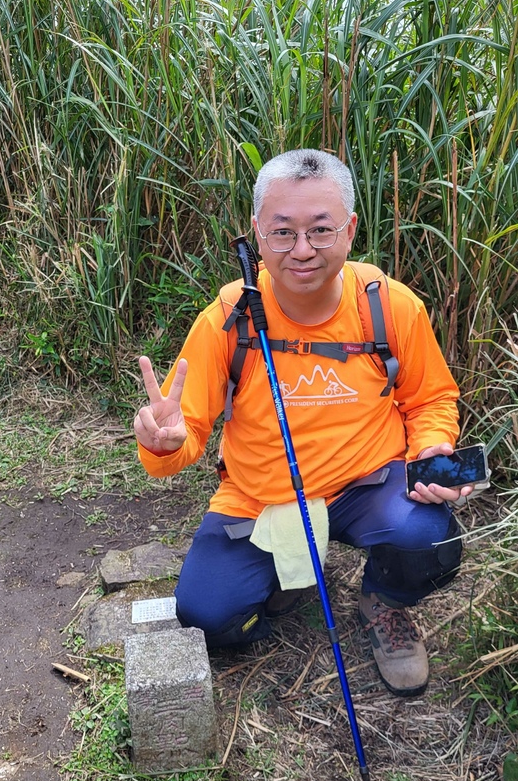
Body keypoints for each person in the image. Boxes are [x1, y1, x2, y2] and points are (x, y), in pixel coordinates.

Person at [134, 149, 474, 697]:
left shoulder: (390, 306)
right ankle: (290, 574)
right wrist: (163, 440)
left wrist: (433, 451)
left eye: (320, 230)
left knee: (428, 539)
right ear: (256, 234)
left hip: (367, 485)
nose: (302, 251)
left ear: (350, 229)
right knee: (207, 616)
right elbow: (184, 436)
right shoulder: (230, 316)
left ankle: (383, 601)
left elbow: (431, 398)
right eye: (282, 232)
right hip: (260, 497)